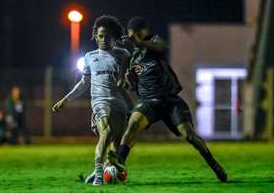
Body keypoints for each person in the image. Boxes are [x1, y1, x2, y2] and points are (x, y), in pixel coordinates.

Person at [109, 16, 228, 182]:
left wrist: (140, 42)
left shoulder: (153, 42)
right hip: (149, 101)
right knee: (134, 123)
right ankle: (119, 162)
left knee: (189, 135)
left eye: (135, 33)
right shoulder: (131, 58)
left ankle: (214, 164)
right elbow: (132, 85)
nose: (133, 38)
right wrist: (126, 82)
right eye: (130, 35)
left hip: (170, 100)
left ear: (143, 31)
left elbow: (162, 47)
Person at [52, 15, 131, 186]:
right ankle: (98, 177)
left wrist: (124, 80)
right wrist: (64, 100)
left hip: (119, 103)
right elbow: (83, 83)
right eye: (100, 36)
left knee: (114, 147)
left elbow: (125, 78)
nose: (103, 39)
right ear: (95, 36)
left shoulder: (123, 54)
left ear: (114, 37)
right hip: (99, 102)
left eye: (107, 36)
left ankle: (103, 170)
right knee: (107, 131)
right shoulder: (89, 56)